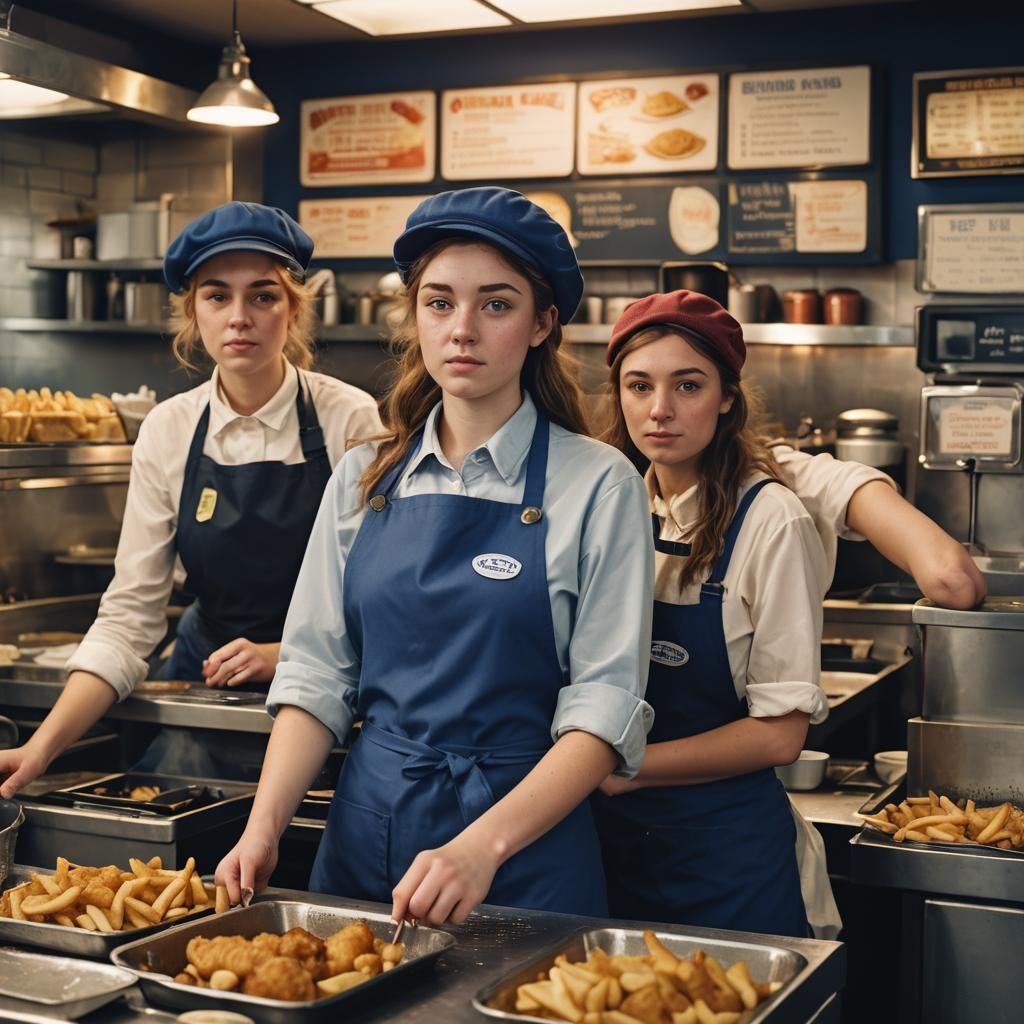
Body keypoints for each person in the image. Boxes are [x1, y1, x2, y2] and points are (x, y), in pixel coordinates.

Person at [215, 187, 655, 924]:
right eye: (440, 303)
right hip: (365, 835)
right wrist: (264, 829)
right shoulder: (362, 477)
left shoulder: (599, 482)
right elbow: (317, 674)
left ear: (543, 322)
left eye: (496, 304)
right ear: (415, 315)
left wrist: (481, 848)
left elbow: (603, 716)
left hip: (522, 850)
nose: (462, 331)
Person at [590, 289, 983, 938]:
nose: (659, 410)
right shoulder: (610, 497)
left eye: (687, 385)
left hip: (728, 865)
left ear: (726, 399)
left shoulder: (771, 519)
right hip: (618, 850)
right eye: (639, 385)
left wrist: (625, 769)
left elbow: (779, 736)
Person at [0, 202, 381, 791]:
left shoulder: (349, 418)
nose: (239, 318)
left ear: (293, 309)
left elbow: (381, 601)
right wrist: (40, 747)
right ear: (192, 313)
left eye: (262, 296)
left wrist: (286, 652)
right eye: (216, 296)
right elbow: (130, 617)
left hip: (331, 688)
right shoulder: (169, 428)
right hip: (208, 681)